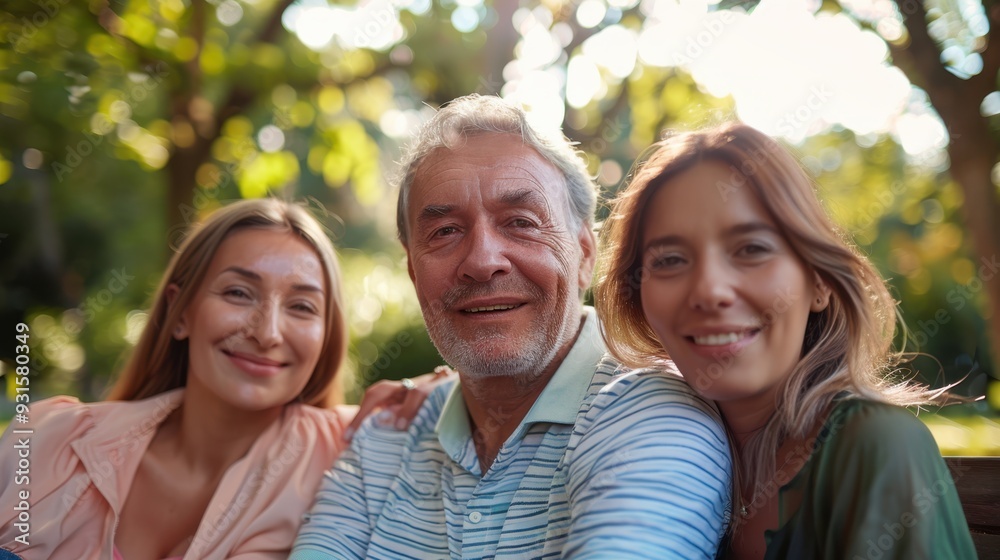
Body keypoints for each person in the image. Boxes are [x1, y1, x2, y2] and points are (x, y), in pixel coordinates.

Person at [292, 94, 732, 559]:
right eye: (445, 231)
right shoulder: (384, 438)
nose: (482, 262)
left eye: (520, 222)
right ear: (413, 273)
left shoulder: (652, 411)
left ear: (584, 254)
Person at [594, 122, 977, 559]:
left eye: (751, 249)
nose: (709, 290)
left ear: (818, 281)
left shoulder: (878, 445)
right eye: (670, 259)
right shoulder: (646, 449)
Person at [0, 198, 447, 560]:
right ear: (181, 313)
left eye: (301, 306)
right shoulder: (47, 437)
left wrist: (446, 388)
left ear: (325, 336)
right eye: (238, 292)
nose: (266, 332)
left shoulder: (357, 452)